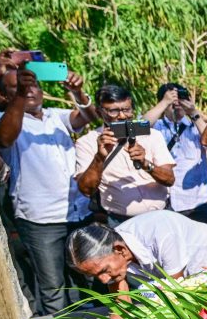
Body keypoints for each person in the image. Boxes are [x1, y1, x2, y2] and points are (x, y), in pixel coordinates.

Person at [0, 66, 96, 315]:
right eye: (19, 87)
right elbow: (4, 139)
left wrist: (78, 93)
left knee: (90, 278)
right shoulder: (0, 119)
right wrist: (20, 95)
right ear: (5, 96)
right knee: (53, 287)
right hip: (40, 220)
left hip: (77, 212)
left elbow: (88, 117)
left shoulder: (54, 115)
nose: (30, 90)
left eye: (33, 85)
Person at [74, 84, 175, 226]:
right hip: (120, 222)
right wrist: (99, 158)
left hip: (161, 216)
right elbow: (86, 190)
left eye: (126, 109)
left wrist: (145, 163)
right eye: (113, 111)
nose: (122, 116)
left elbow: (169, 179)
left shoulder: (152, 135)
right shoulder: (87, 142)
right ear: (99, 112)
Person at [67, 213, 207, 292]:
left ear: (120, 250)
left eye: (103, 271)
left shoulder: (161, 234)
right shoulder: (112, 250)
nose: (103, 280)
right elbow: (120, 305)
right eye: (96, 276)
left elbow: (177, 293)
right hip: (180, 283)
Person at [145, 83, 207, 224]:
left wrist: (193, 112)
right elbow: (138, 126)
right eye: (172, 99)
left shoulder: (195, 125)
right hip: (165, 201)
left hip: (198, 201)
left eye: (182, 98)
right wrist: (165, 102)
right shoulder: (156, 127)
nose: (177, 103)